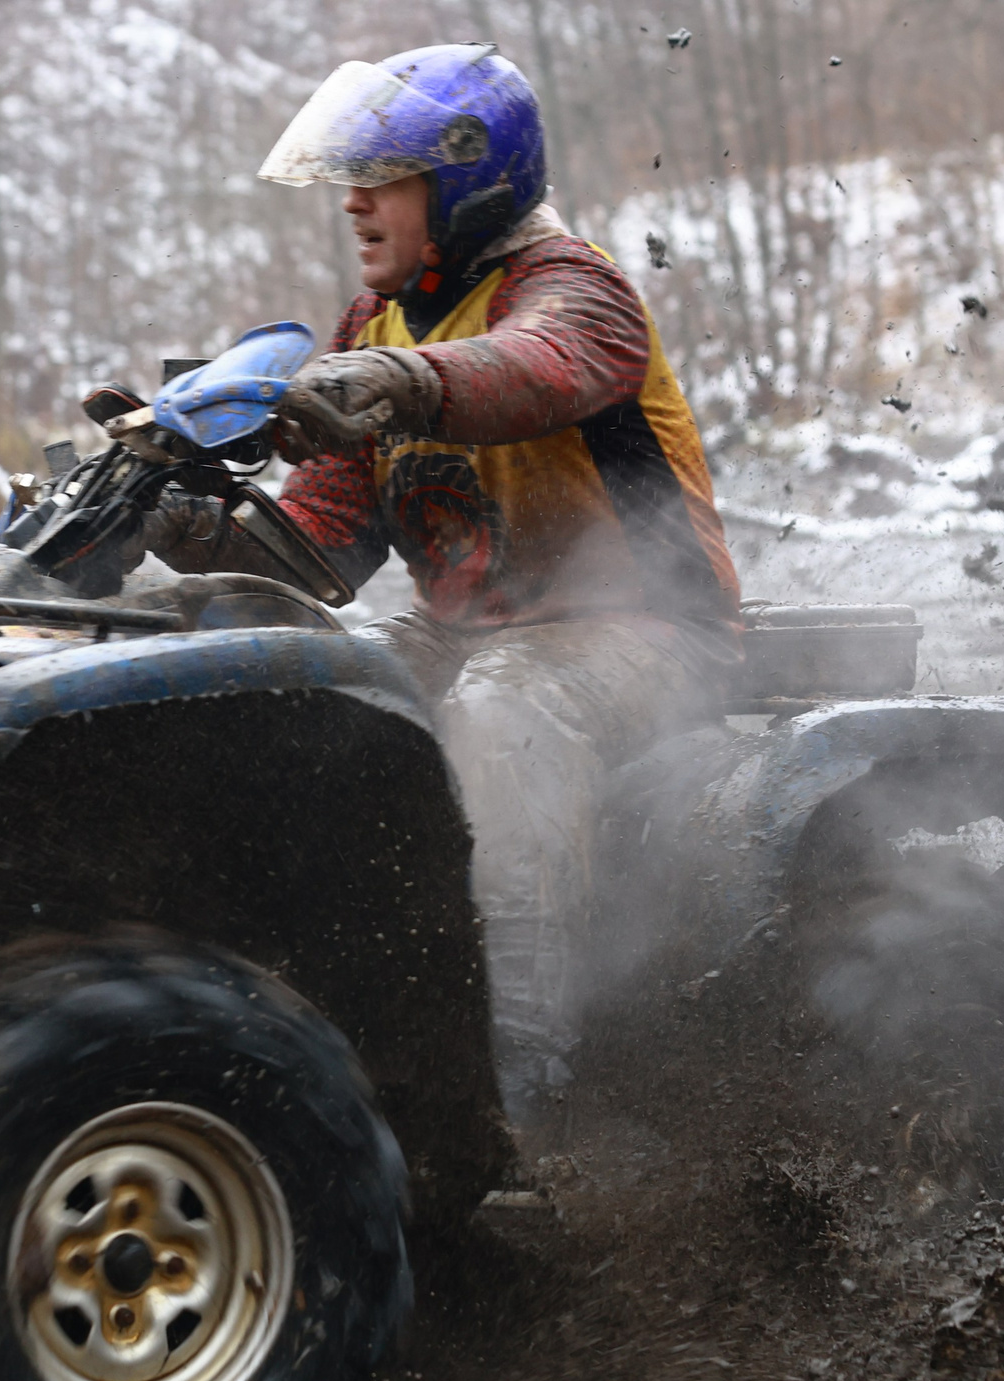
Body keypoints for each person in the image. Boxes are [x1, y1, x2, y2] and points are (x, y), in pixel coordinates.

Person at [155, 44, 741, 1116]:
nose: (354, 203)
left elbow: (538, 365)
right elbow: (323, 545)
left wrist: (399, 381)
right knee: (297, 681)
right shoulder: (370, 327)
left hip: (647, 636)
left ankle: (519, 1092)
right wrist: (202, 534)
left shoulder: (576, 290)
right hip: (466, 635)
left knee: (510, 709)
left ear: (469, 179)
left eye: (383, 177)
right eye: (350, 179)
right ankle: (291, 1029)